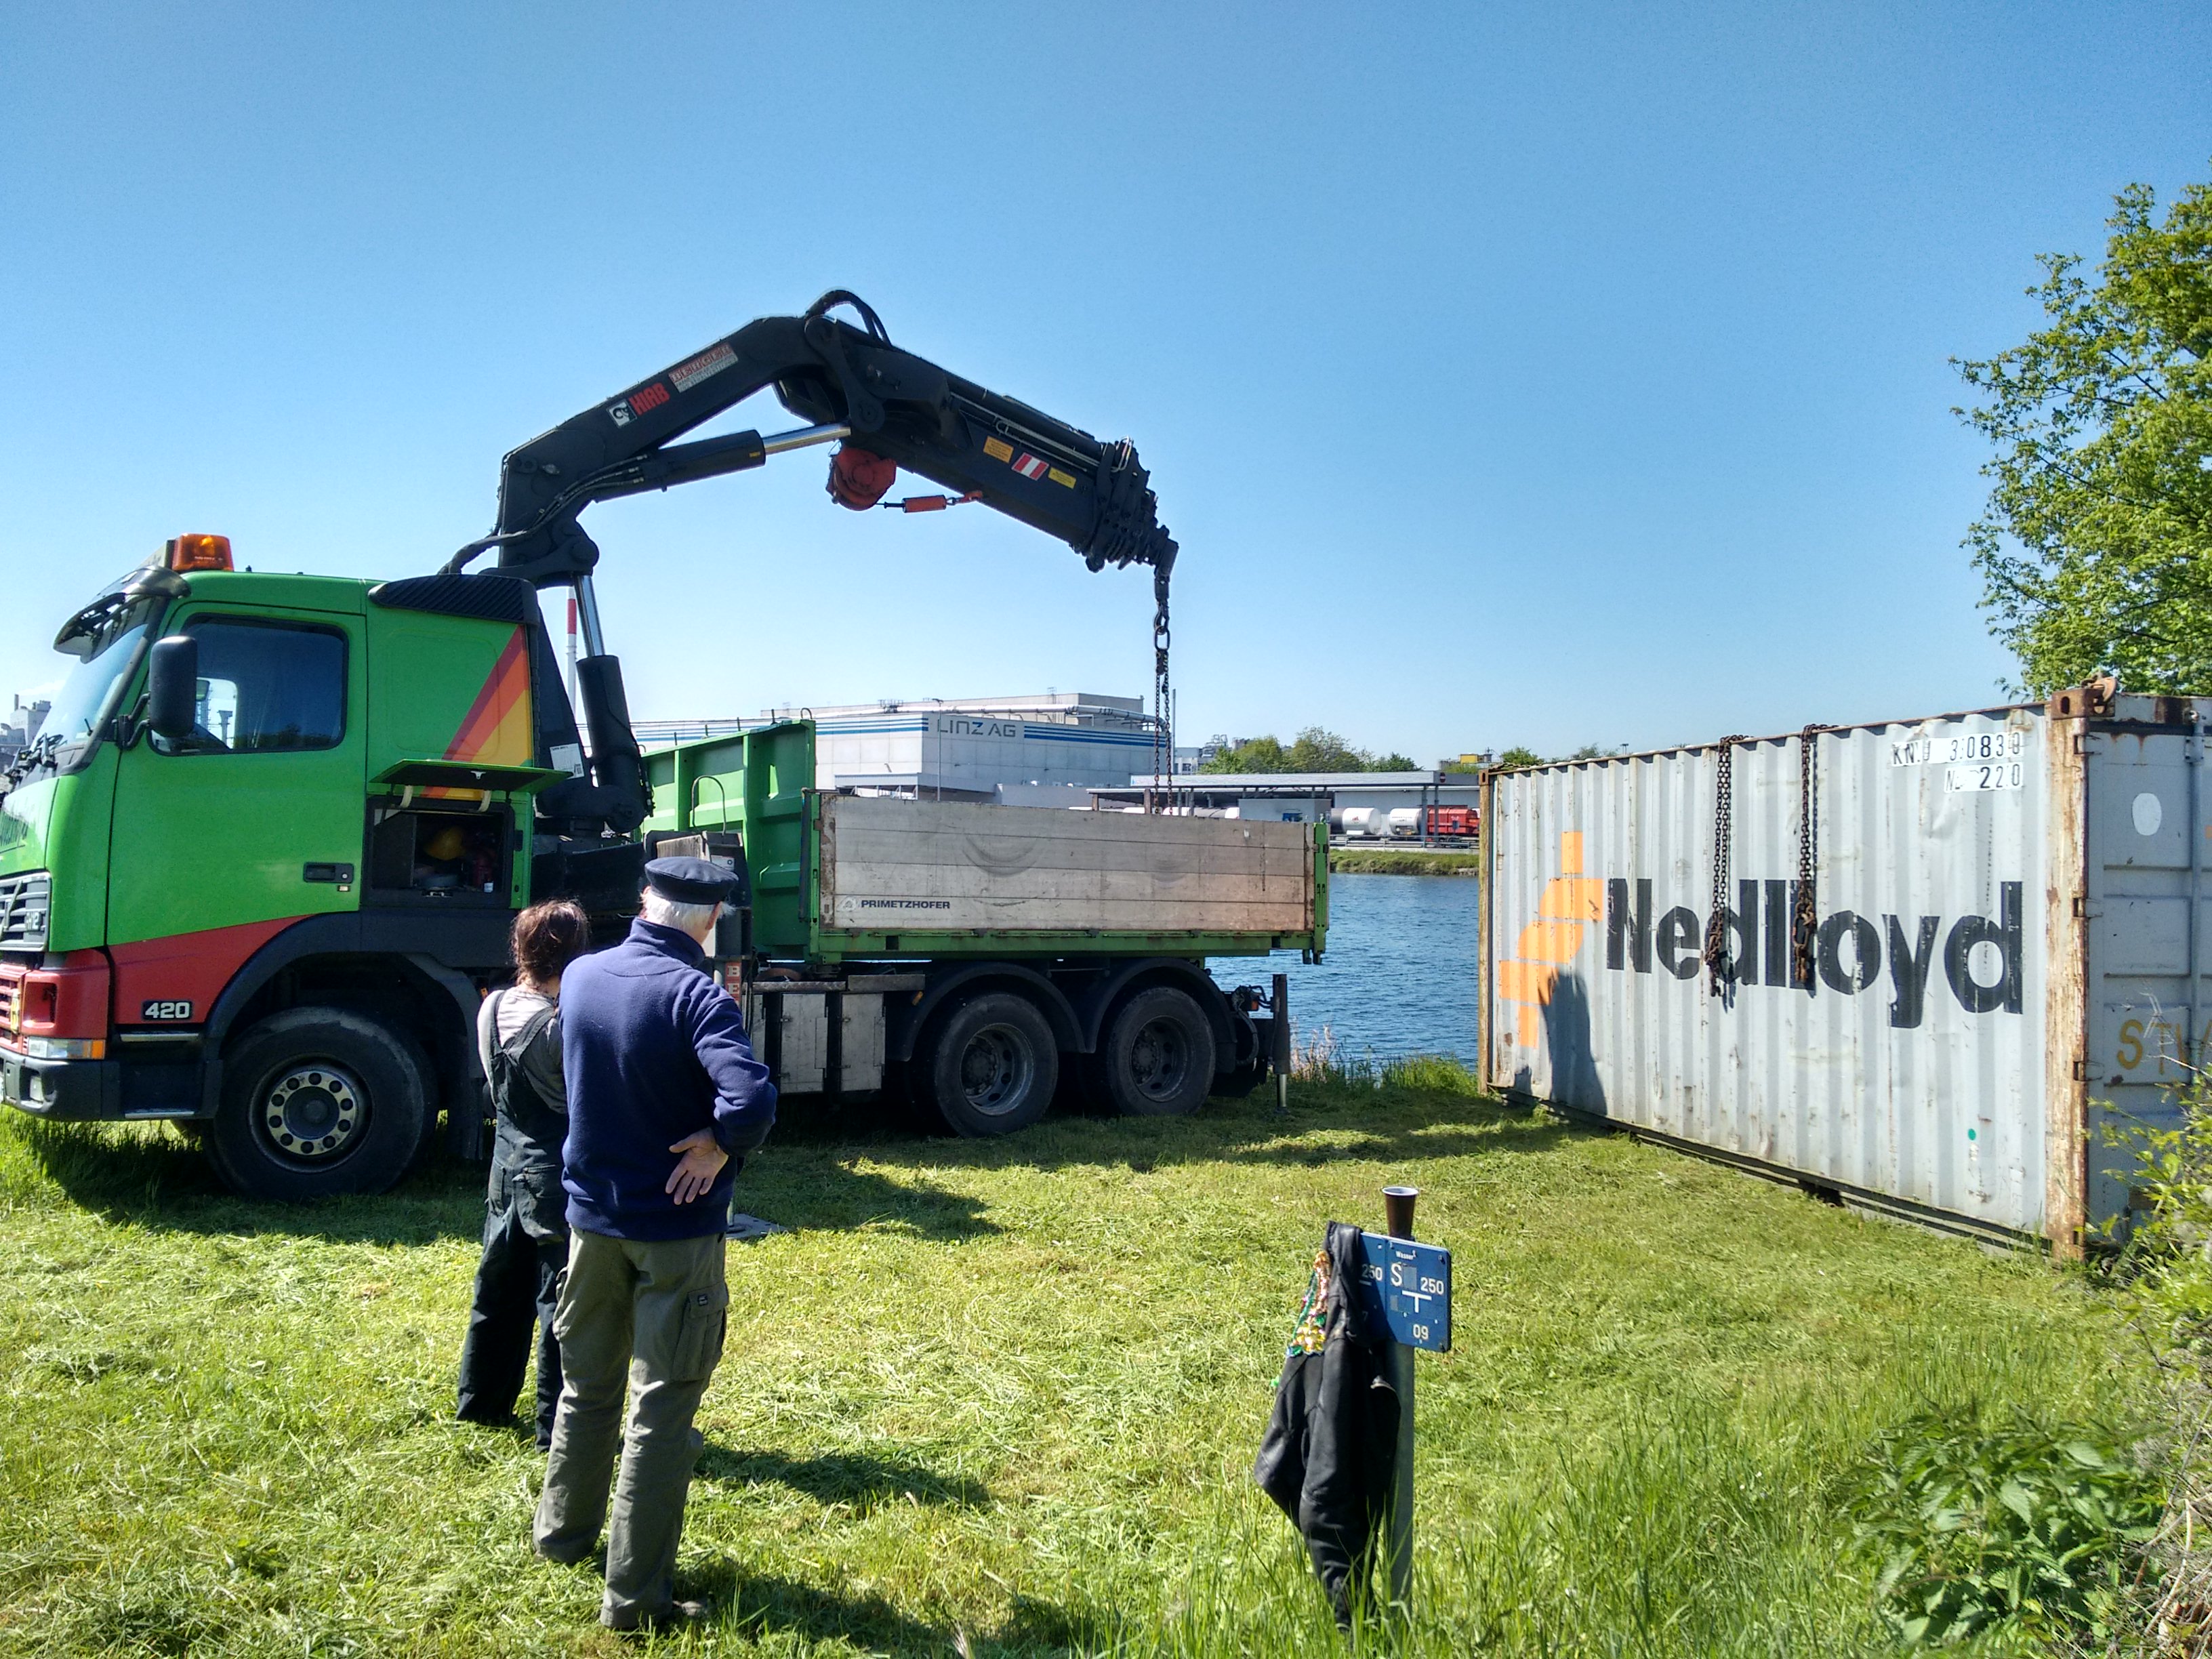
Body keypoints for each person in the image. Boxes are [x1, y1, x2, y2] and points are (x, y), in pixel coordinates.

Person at [533, 857, 777, 1632]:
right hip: (675, 1232)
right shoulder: (696, 993)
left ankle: (562, 1537)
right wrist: (720, 1144)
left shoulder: (582, 976)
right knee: (661, 1410)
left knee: (585, 1388)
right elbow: (750, 1099)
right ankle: (636, 1600)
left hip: (591, 1225)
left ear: (646, 901)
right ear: (711, 920)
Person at [455, 897, 592, 1448]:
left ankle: (481, 1404)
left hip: (504, 1168)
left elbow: (495, 1089)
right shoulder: (559, 1028)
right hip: (553, 1177)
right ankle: (553, 1427)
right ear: (576, 954)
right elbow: (574, 1103)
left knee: (496, 1291)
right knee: (560, 1302)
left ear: (521, 950)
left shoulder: (492, 1007)